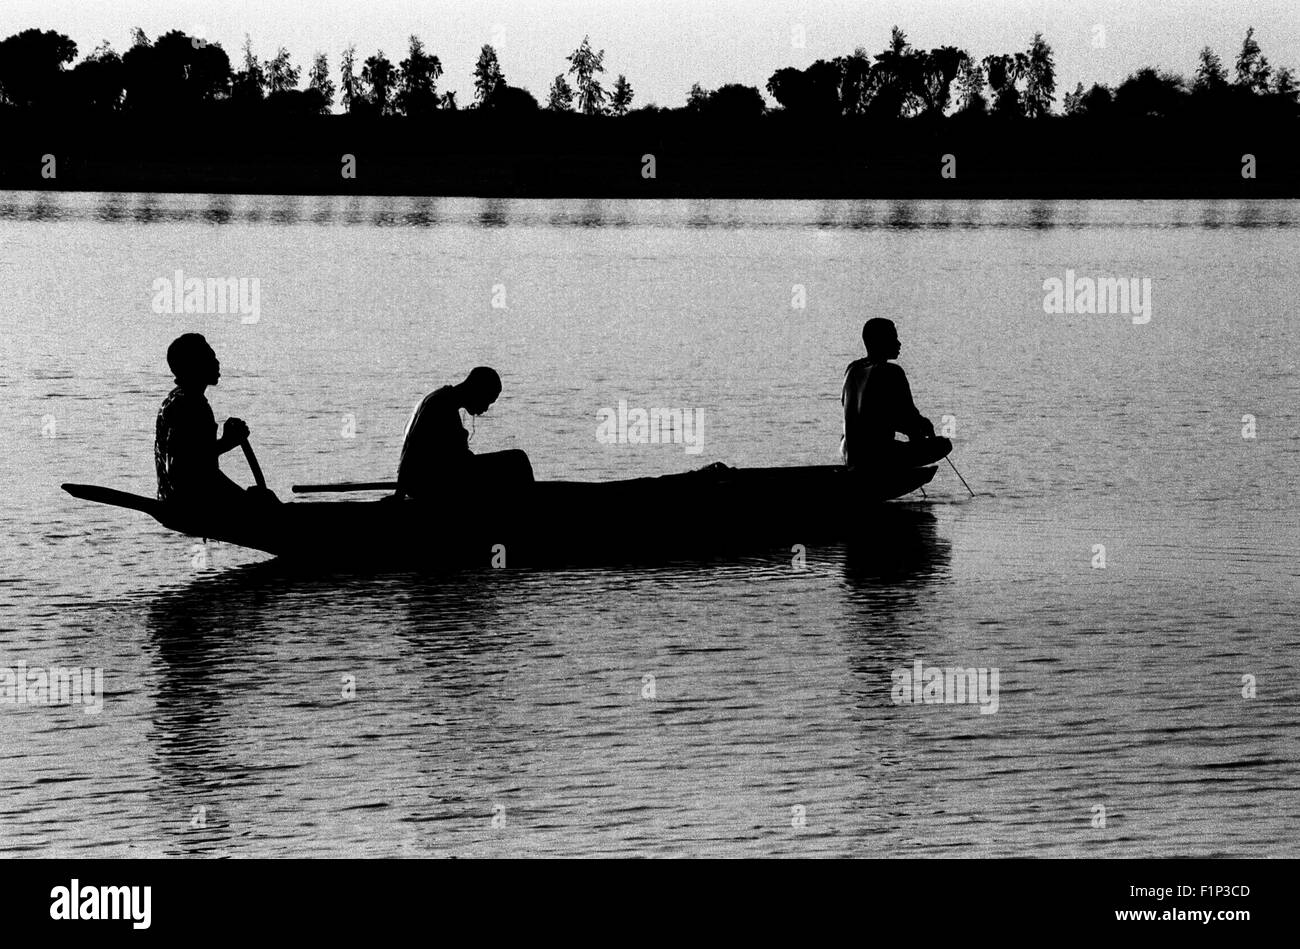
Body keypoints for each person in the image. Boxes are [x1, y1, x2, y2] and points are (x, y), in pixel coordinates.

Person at [155, 333, 276, 509]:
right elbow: (185, 467)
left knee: (264, 498)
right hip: (192, 502)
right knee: (266, 503)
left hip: (182, 496)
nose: (217, 363)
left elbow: (198, 461)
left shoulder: (178, 399)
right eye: (209, 358)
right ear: (194, 366)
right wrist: (228, 442)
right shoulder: (190, 405)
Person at [395, 366, 534, 500]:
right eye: (487, 400)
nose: (486, 409)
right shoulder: (441, 405)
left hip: (428, 479)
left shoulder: (439, 399)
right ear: (477, 390)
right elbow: (413, 448)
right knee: (518, 459)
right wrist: (399, 494)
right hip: (429, 484)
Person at [841, 318, 952, 471]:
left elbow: (865, 416)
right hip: (877, 457)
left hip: (850, 455)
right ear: (879, 342)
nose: (899, 343)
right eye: (893, 338)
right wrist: (923, 430)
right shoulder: (892, 372)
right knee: (944, 444)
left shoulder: (852, 369)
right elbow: (910, 421)